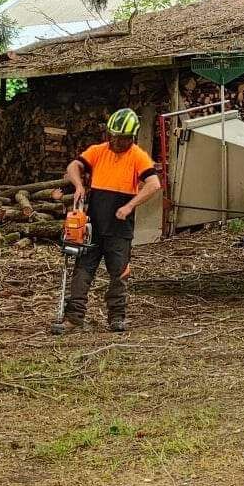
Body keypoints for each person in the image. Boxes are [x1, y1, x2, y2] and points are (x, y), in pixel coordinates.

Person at [52, 108, 161, 334]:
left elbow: (154, 184)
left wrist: (130, 205)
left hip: (120, 227)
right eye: (112, 135)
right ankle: (74, 318)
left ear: (131, 137)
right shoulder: (98, 151)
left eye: (121, 138)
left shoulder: (138, 156)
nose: (115, 141)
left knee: (119, 273)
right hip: (93, 225)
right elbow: (74, 166)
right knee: (82, 270)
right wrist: (79, 185)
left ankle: (117, 317)